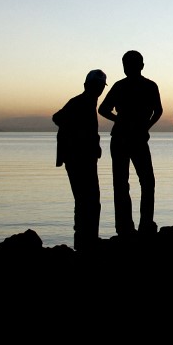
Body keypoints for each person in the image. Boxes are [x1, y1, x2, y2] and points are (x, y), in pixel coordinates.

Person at [98, 51, 163, 237]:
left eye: (131, 64)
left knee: (133, 183)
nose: (129, 68)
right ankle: (131, 226)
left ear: (141, 65)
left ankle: (138, 225)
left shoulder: (143, 86)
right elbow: (158, 111)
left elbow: (158, 111)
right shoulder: (130, 86)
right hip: (125, 138)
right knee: (134, 182)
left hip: (130, 138)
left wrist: (140, 126)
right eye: (127, 64)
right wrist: (138, 125)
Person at [53, 69, 107, 251]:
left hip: (85, 158)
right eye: (96, 85)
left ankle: (86, 240)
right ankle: (86, 241)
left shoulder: (89, 102)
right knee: (87, 200)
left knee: (88, 200)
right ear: (87, 85)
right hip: (78, 159)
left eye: (101, 87)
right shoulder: (80, 102)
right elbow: (58, 118)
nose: (99, 90)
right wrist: (78, 137)